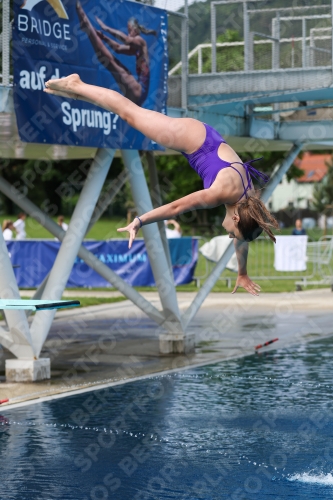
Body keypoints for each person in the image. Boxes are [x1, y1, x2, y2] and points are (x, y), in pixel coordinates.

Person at [44, 74, 279, 296]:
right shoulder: (219, 194)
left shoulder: (248, 201)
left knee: (130, 115)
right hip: (193, 140)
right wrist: (140, 221)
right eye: (232, 233)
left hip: (207, 138)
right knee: (130, 114)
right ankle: (76, 84)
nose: (229, 235)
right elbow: (176, 208)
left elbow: (244, 236)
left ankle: (78, 93)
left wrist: (242, 272)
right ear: (236, 219)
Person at [76, 2, 157, 106]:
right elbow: (118, 48)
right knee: (110, 62)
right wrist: (104, 37)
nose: (129, 34)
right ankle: (88, 29)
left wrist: (106, 28)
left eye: (130, 31)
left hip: (139, 91)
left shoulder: (140, 41)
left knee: (110, 62)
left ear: (136, 30)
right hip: (137, 94)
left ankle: (86, 25)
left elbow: (127, 40)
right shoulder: (136, 49)